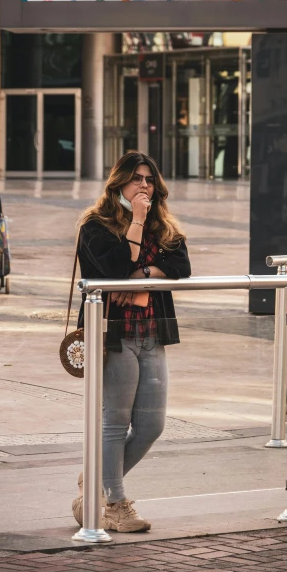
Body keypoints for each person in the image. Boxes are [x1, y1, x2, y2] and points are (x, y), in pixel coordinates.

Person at [74, 152, 191, 532]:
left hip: (153, 332)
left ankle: (93, 481)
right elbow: (112, 268)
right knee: (115, 421)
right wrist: (136, 222)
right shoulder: (95, 224)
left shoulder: (164, 226)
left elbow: (181, 266)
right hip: (114, 335)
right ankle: (115, 503)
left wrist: (141, 273)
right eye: (136, 178)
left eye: (149, 179)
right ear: (118, 182)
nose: (144, 185)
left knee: (151, 425)